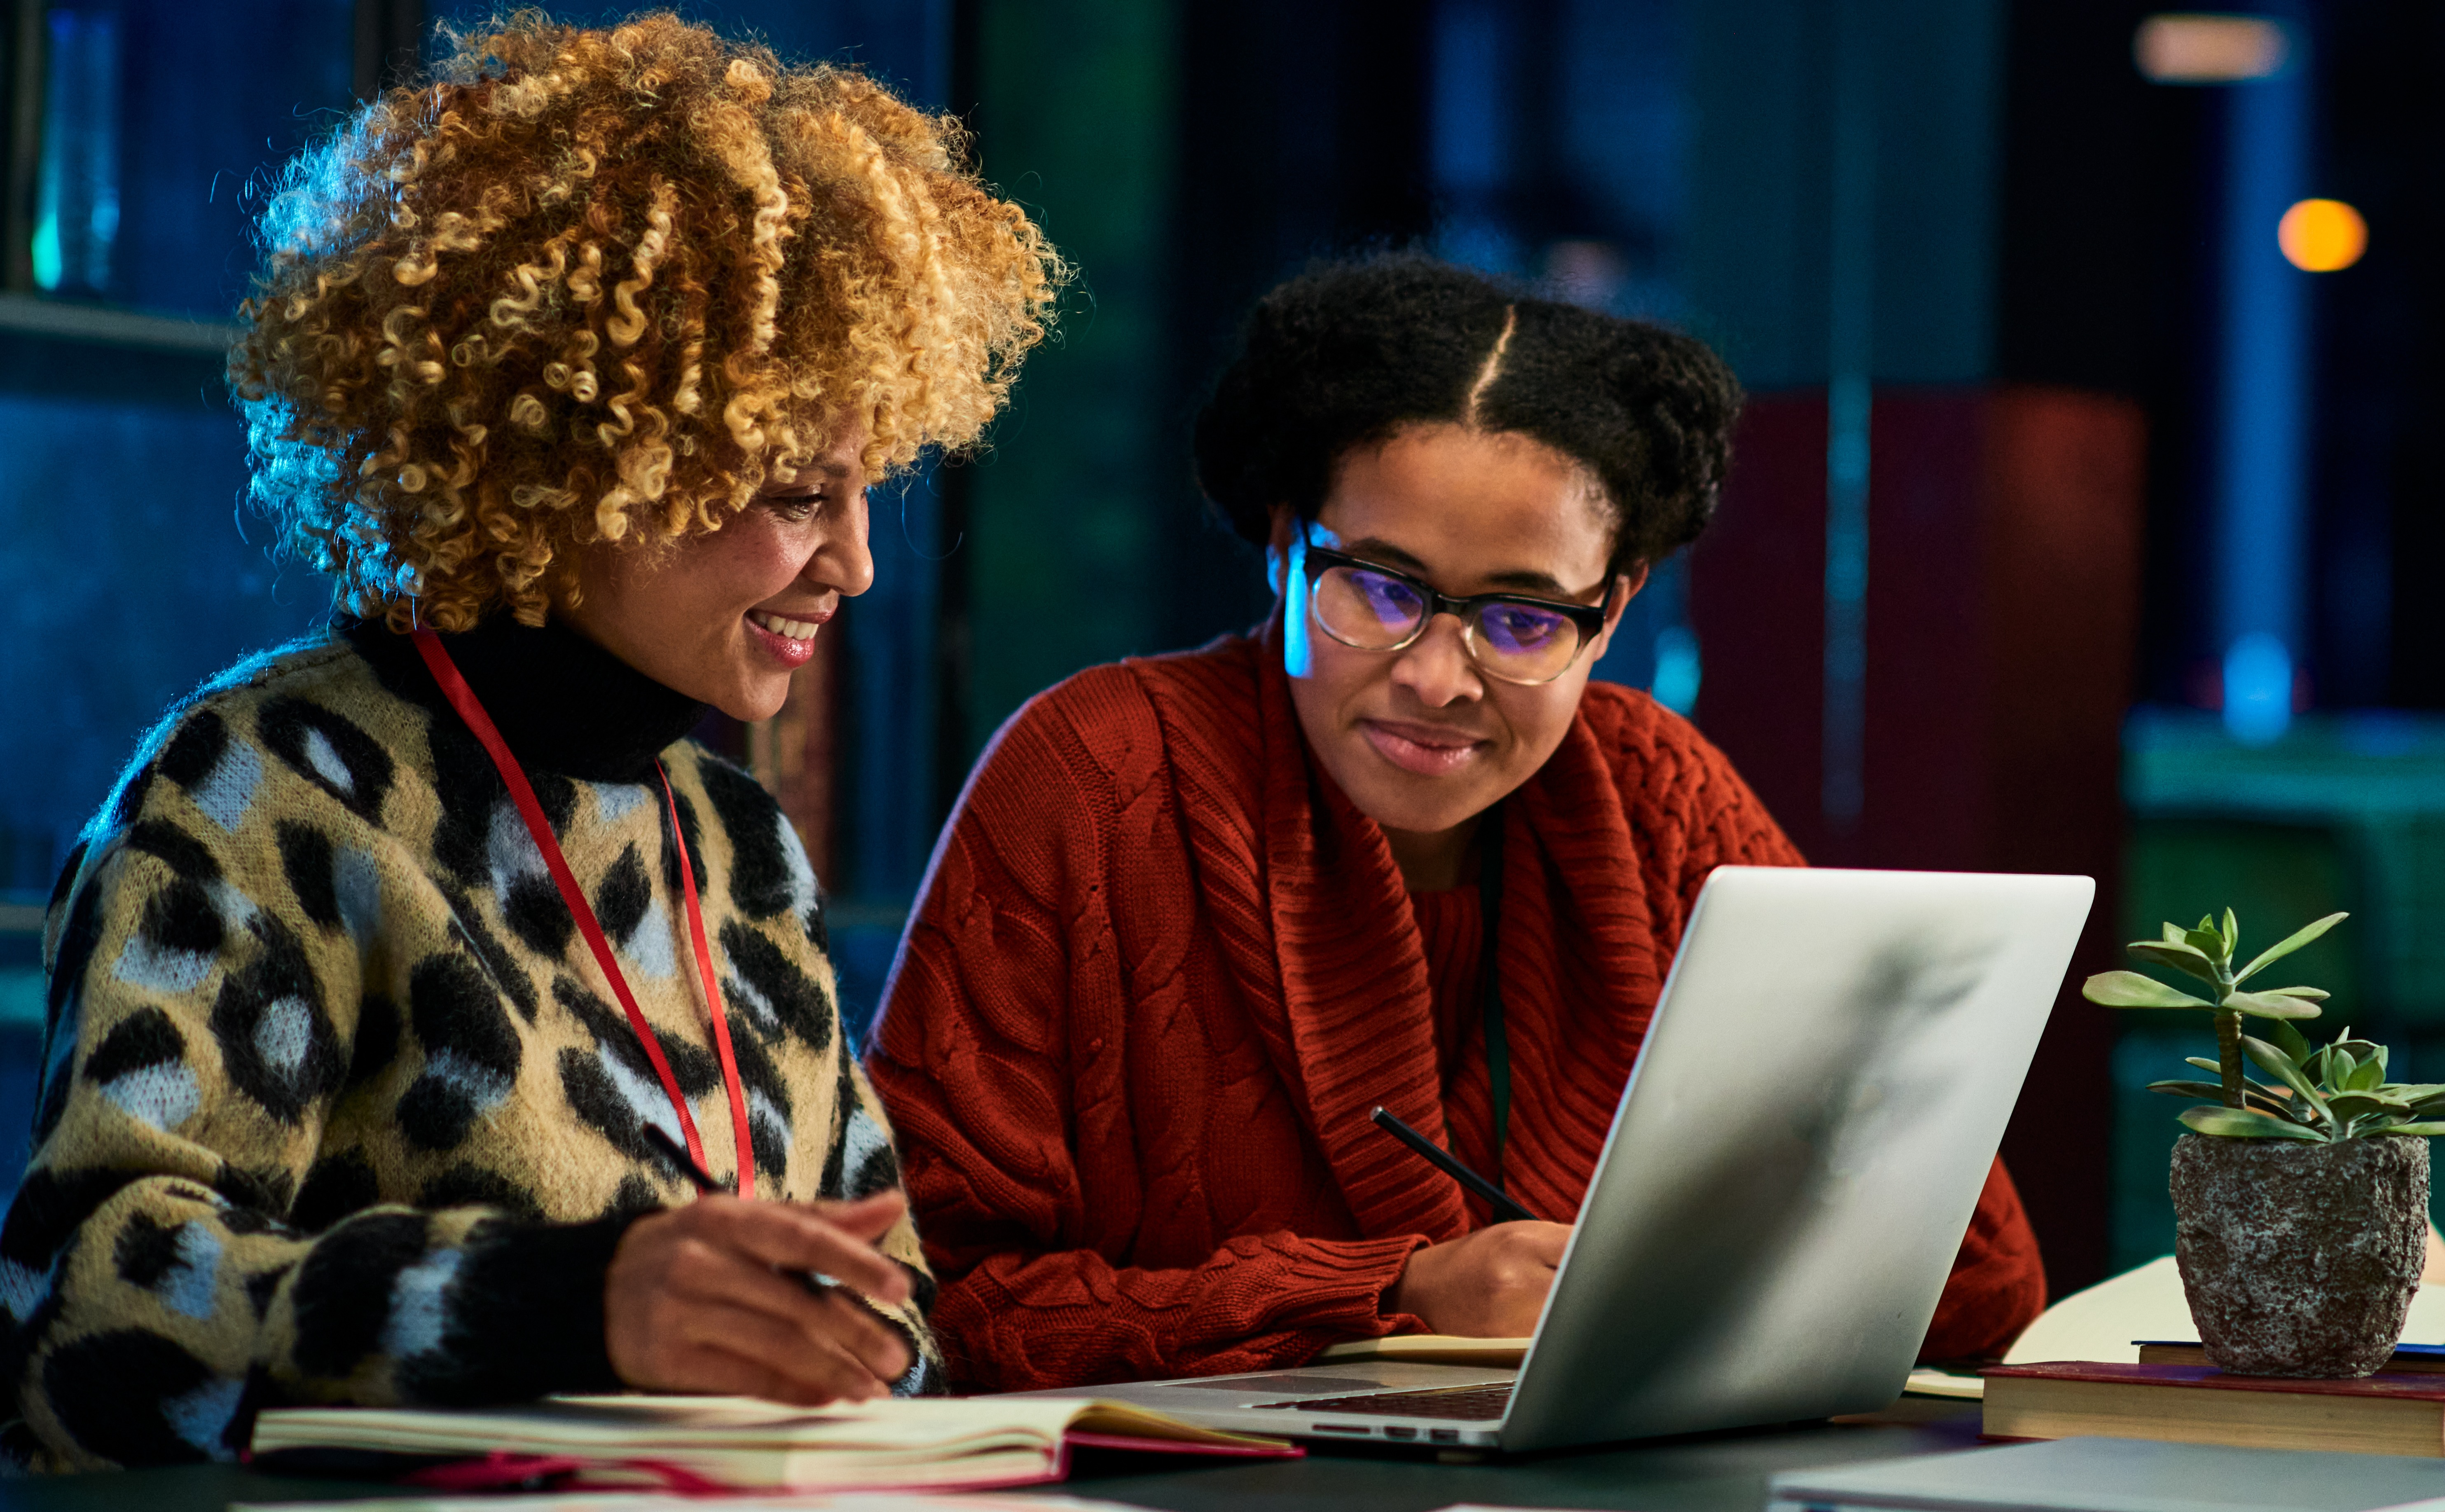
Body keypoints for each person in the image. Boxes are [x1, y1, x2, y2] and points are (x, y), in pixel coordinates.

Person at [0, 14, 1058, 1470]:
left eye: (869, 488)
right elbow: (86, 1319)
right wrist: (563, 1305)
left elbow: (892, 1324)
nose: (858, 565)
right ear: (581, 464)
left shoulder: (736, 840)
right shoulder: (254, 794)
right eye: (800, 495)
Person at [868, 256, 2047, 1391]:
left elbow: (1982, 1282)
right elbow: (923, 1304)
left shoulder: (1654, 791)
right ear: (1285, 549)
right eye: (1381, 590)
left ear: (1613, 606)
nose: (1438, 677)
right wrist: (1401, 1291)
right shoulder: (1093, 777)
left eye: (1525, 619)